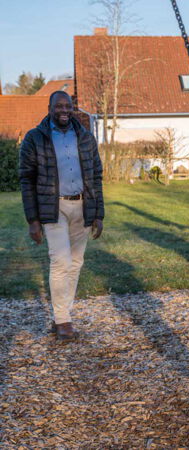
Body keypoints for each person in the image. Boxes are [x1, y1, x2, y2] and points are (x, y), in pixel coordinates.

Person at [19, 91, 104, 341]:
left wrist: (98, 213)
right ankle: (64, 321)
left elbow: (96, 176)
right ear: (50, 108)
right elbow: (26, 179)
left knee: (76, 263)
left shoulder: (86, 137)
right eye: (59, 106)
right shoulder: (35, 138)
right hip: (52, 209)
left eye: (68, 106)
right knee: (61, 262)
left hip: (82, 207)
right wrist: (33, 220)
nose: (64, 110)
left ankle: (61, 316)